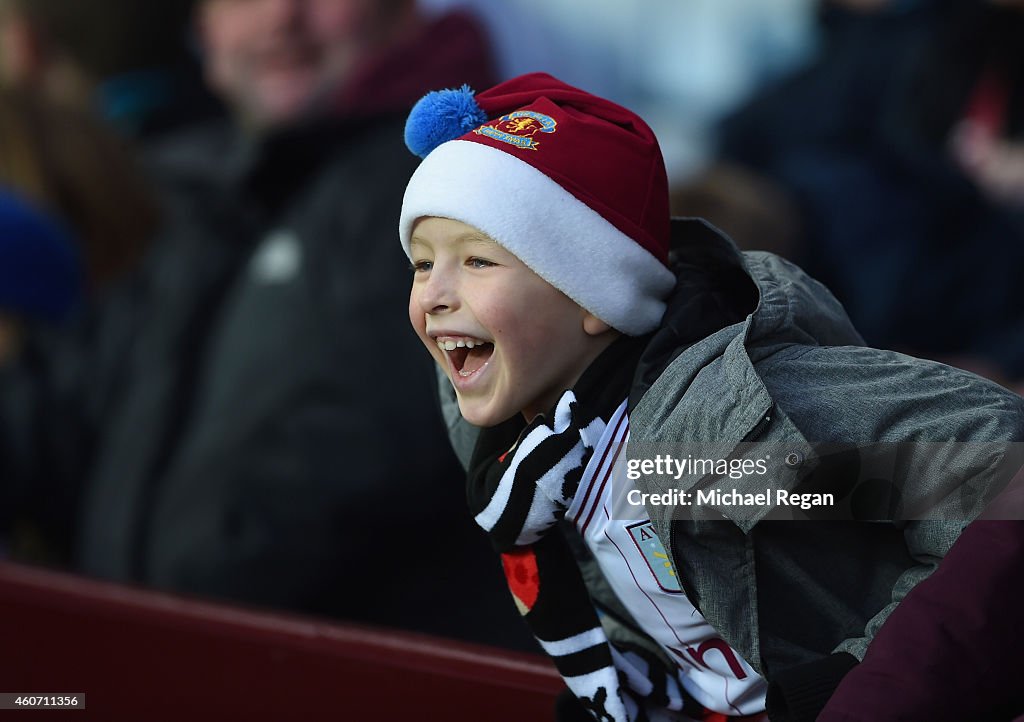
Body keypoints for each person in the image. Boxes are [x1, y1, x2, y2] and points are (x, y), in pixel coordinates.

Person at [398, 72, 1024, 719]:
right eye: (421, 263)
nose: (435, 294)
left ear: (591, 297)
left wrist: (856, 686)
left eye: (477, 261)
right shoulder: (529, 456)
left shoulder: (709, 451)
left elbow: (1002, 488)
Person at [0, 0, 532, 650]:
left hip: (335, 685)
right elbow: (67, 398)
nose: (279, 17)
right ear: (201, 28)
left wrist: (138, 636)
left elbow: (358, 463)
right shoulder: (202, 191)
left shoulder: (462, 193)